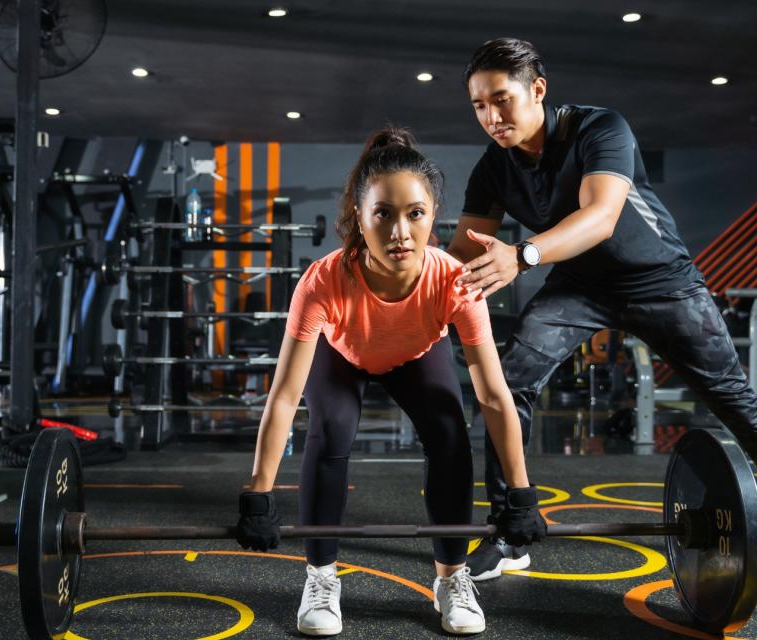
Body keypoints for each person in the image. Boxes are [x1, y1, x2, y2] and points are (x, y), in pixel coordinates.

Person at [446, 37, 757, 582]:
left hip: (660, 280)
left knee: (730, 395)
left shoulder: (600, 128)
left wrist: (521, 255)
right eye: (479, 105)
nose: (491, 116)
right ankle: (511, 528)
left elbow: (601, 217)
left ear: (537, 90)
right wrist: (397, 277)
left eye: (501, 100)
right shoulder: (493, 168)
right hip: (578, 286)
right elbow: (461, 254)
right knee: (507, 382)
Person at [235, 127, 546, 636]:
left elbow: (493, 395)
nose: (401, 231)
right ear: (360, 217)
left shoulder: (455, 282)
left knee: (449, 432)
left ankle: (451, 577)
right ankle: (321, 577)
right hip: (343, 354)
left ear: (433, 215)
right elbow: (286, 395)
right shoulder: (323, 281)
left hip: (415, 355)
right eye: (383, 214)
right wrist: (259, 493)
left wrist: (521, 492)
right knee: (330, 430)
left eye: (415, 213)